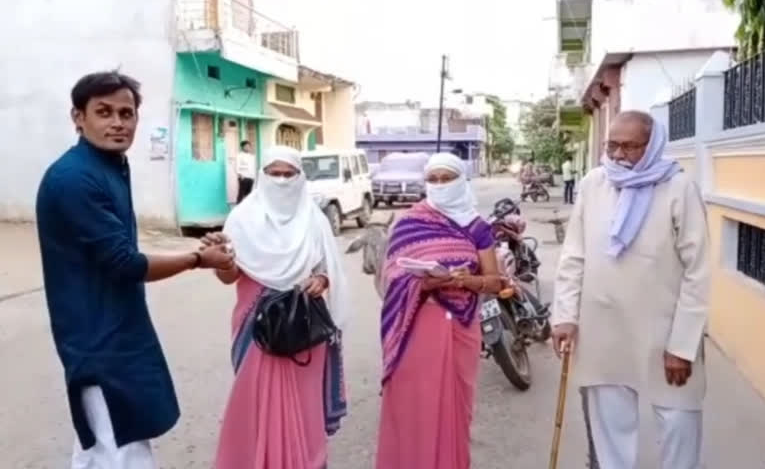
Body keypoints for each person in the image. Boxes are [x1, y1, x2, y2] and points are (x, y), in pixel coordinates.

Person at [36, 71, 236, 469]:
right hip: (99, 344)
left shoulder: (108, 166)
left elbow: (119, 252)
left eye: (126, 114)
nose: (117, 123)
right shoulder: (75, 179)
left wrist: (196, 250)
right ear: (78, 117)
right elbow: (124, 262)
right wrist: (199, 259)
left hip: (118, 333)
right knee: (123, 452)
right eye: (104, 112)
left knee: (101, 452)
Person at [551, 111, 711, 469]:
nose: (618, 155)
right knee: (611, 437)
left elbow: (697, 271)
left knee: (679, 424)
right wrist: (564, 316)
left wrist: (683, 346)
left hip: (664, 333)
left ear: (651, 145)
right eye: (612, 145)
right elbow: (574, 255)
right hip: (603, 330)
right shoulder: (595, 183)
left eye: (629, 147)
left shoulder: (678, 187)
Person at [204, 145, 349, 469]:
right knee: (254, 402)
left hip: (304, 328)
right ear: (262, 176)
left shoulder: (314, 219)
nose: (281, 181)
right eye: (274, 174)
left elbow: (329, 268)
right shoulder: (241, 218)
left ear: (300, 178)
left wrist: (322, 280)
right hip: (257, 329)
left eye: (289, 174)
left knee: (304, 404)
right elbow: (228, 277)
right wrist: (223, 260)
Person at [376, 152, 504, 469]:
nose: (440, 186)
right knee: (413, 405)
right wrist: (426, 283)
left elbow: (495, 282)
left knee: (454, 409)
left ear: (462, 180)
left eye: (447, 179)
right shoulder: (409, 222)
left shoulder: (477, 227)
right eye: (433, 180)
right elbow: (392, 277)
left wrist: (466, 280)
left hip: (461, 328)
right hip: (417, 326)